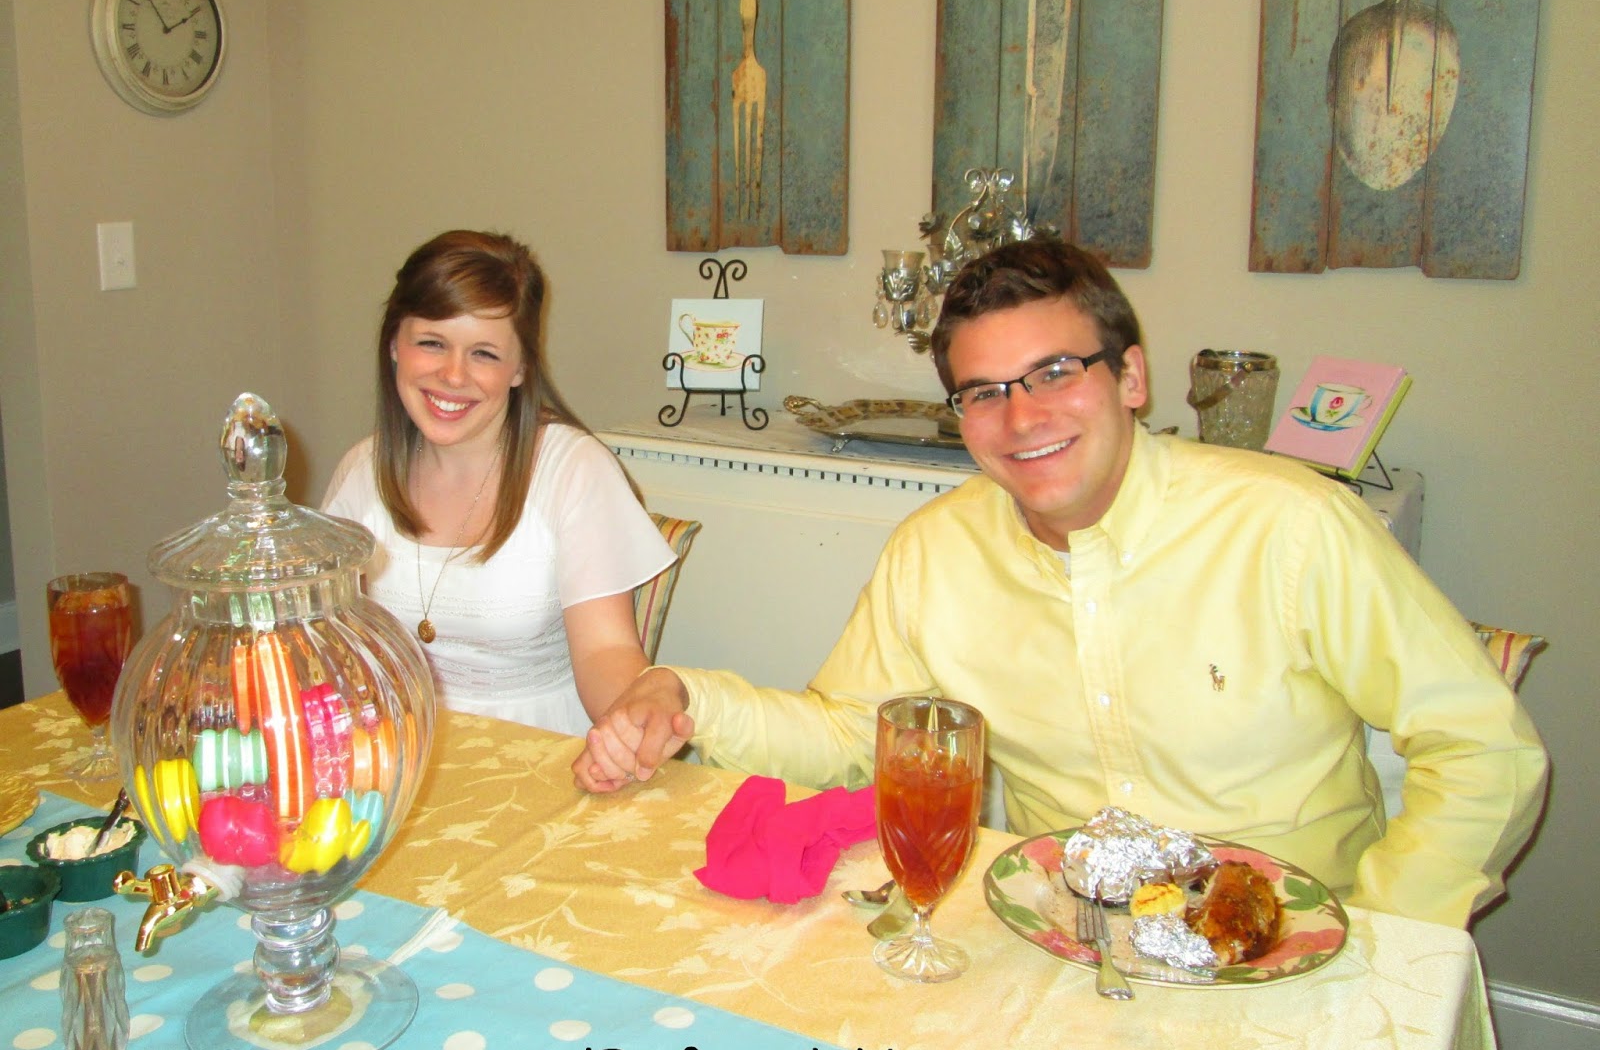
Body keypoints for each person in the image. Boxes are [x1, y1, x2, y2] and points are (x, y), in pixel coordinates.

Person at [574, 237, 1548, 928]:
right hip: (1064, 936)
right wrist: (684, 693)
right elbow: (852, 738)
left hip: (1289, 937)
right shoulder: (936, 551)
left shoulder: (1289, 526)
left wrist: (1380, 932)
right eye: (984, 391)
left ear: (1131, 378)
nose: (1022, 416)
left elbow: (1481, 746)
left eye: (1054, 372)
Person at [325, 230, 673, 736]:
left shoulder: (575, 469)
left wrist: (639, 709)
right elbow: (328, 644)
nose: (453, 375)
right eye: (431, 343)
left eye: (484, 354)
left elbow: (606, 650)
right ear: (395, 344)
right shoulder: (361, 471)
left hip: (539, 751)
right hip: (397, 750)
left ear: (521, 368)